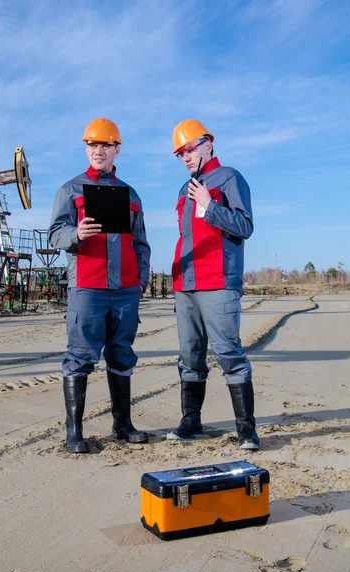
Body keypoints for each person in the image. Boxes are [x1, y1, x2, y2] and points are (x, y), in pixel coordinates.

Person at [48, 118, 150, 453]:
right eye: (92, 145)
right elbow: (54, 234)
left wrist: (140, 282)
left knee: (121, 354)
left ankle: (123, 424)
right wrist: (75, 235)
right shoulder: (71, 190)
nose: (98, 151)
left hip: (125, 290)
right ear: (86, 148)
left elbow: (141, 244)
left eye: (105, 145)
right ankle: (74, 432)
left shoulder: (130, 194)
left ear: (116, 149)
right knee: (80, 357)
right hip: (87, 288)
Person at [167, 119, 259, 450]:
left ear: (207, 143)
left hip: (218, 280)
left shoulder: (230, 178)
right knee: (189, 355)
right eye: (180, 154)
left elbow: (245, 226)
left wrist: (210, 206)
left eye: (189, 149)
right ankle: (191, 422)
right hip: (185, 283)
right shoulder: (184, 190)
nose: (185, 157)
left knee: (228, 353)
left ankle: (246, 428)